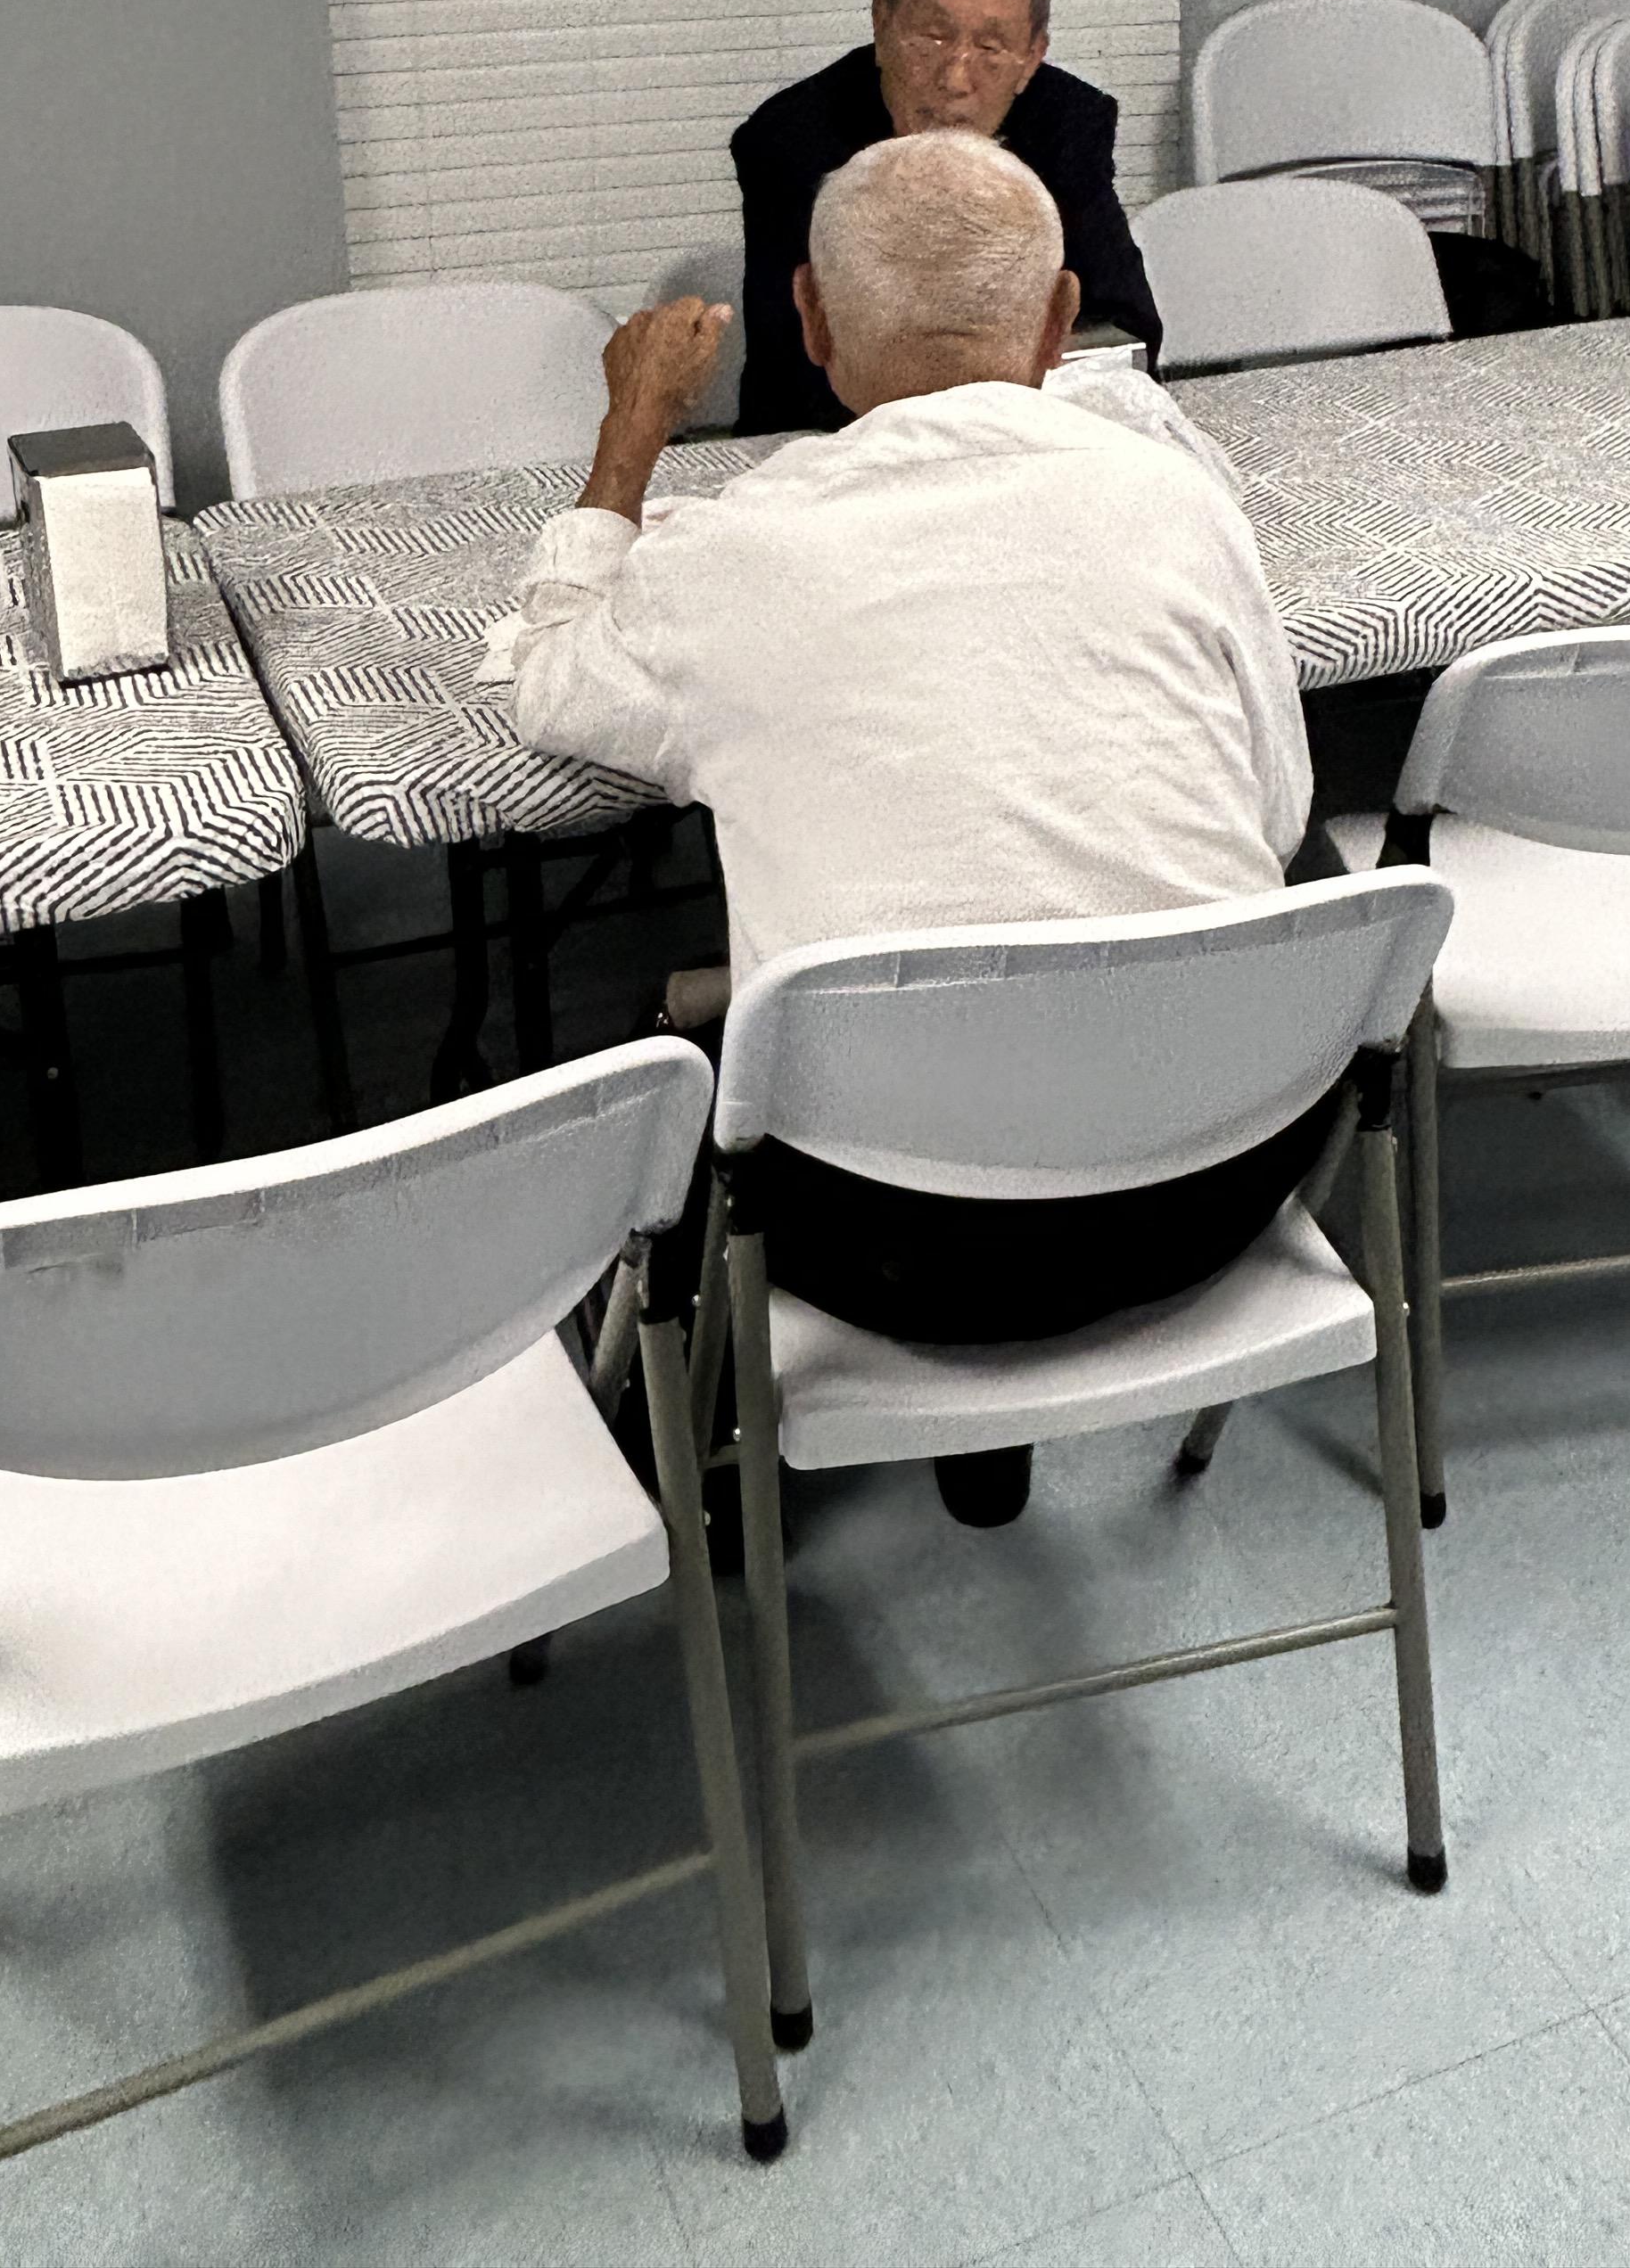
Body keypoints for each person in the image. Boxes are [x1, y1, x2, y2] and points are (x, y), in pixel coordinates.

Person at [492, 130, 1313, 1525]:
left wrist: (632, 433)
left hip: (892, 1241)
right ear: (1060, 321)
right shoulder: (1182, 502)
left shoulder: (731, 555)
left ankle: (696, 1488)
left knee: (690, 1052)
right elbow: (1277, 812)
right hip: (1225, 1178)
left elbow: (547, 686)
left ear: (808, 320)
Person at [729, 0, 1163, 436]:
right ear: (881, 24)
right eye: (932, 38)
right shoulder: (790, 143)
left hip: (1021, 433)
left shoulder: (1068, 125)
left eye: (990, 49)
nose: (956, 79)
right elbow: (798, 364)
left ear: (1032, 57)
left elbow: (1123, 329)